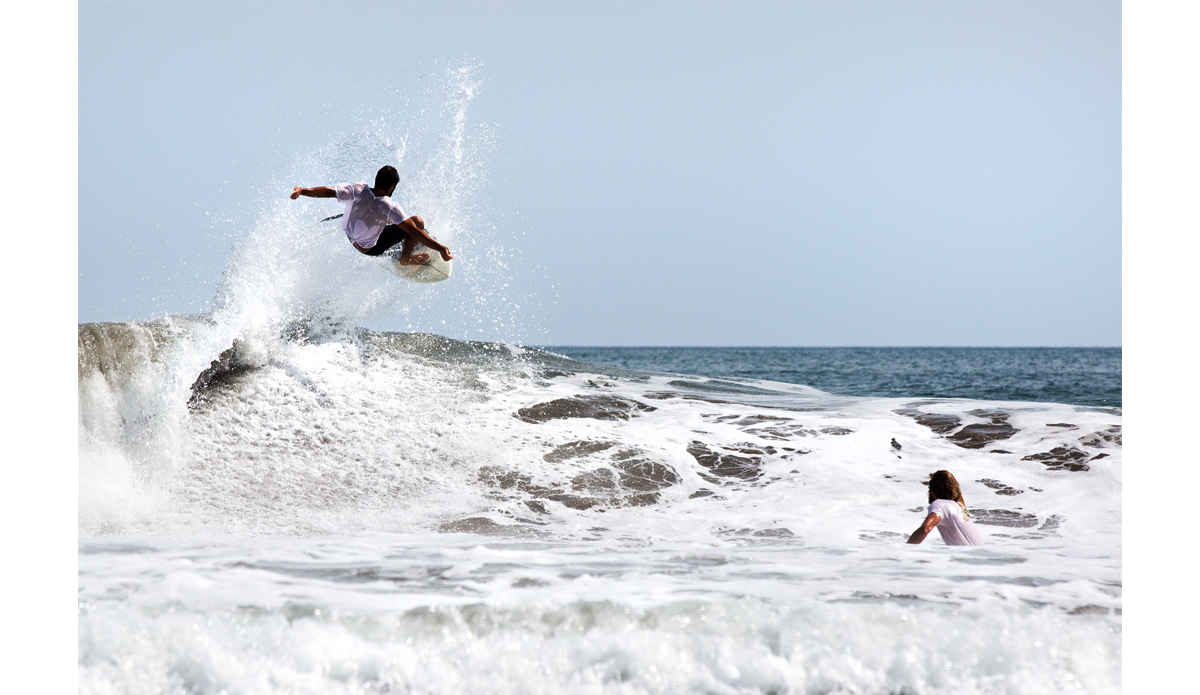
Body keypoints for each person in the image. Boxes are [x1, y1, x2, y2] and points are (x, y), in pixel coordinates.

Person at [290, 165, 453, 266]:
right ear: (392, 187)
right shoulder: (390, 208)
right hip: (371, 248)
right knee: (416, 222)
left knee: (387, 224)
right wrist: (440, 248)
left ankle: (397, 244)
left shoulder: (358, 189)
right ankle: (405, 258)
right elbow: (415, 231)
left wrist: (303, 191)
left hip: (351, 237)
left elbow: (328, 192)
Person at [907, 470, 984, 546]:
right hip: (980, 555)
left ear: (932, 490)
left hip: (967, 557)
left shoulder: (940, 505)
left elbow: (924, 529)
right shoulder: (959, 506)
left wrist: (905, 551)